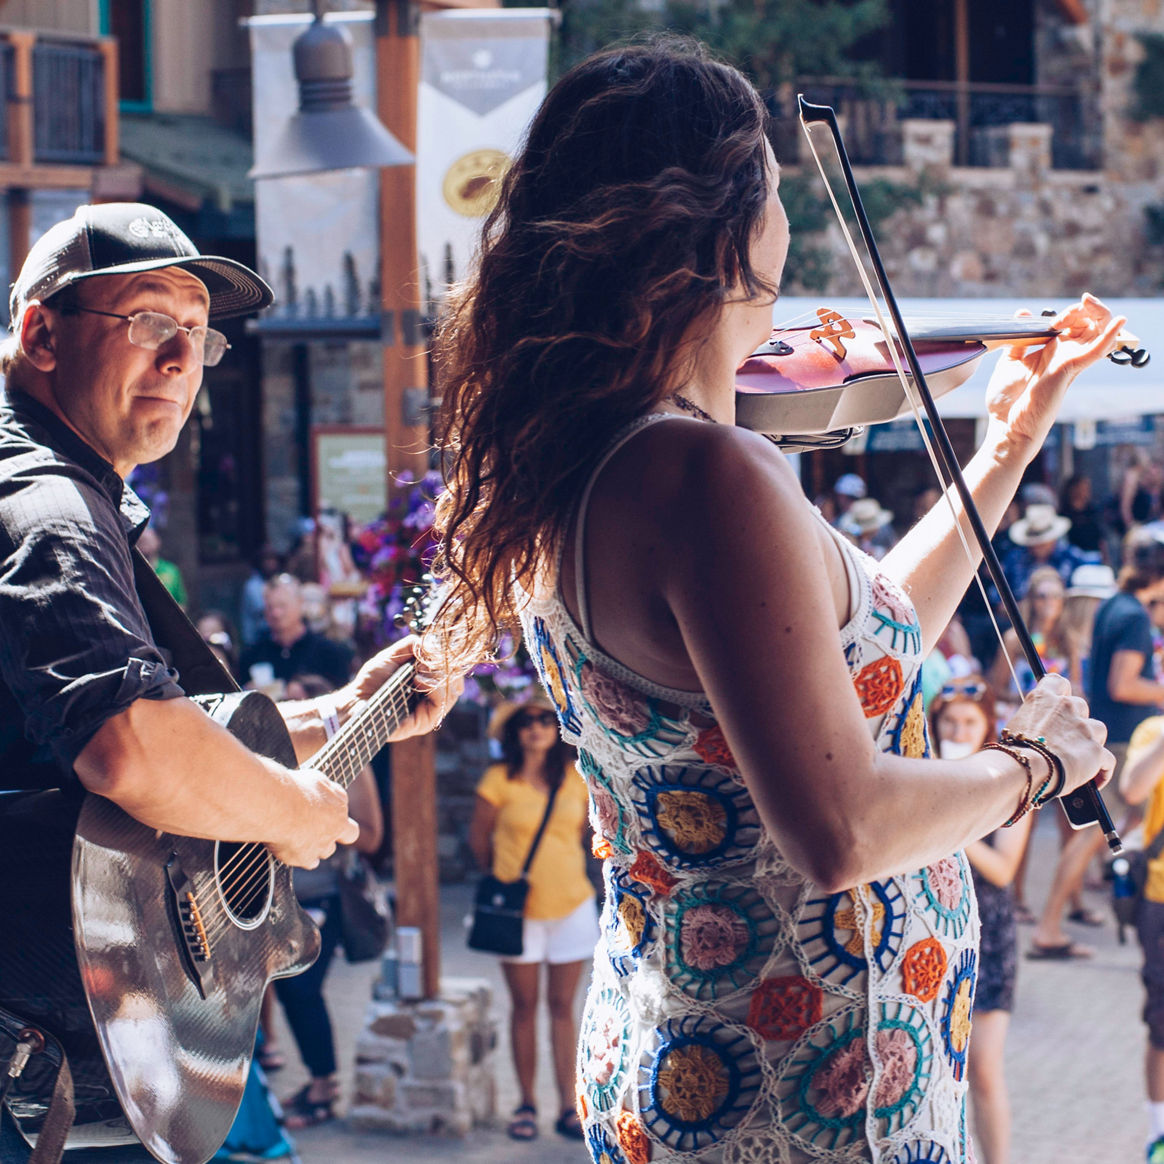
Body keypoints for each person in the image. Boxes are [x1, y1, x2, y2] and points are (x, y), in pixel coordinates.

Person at [423, 39, 1118, 1163]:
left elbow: (852, 650)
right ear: (724, 233)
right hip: (807, 1092)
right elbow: (843, 830)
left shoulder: (597, 462)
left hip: (709, 1054)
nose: (790, 226)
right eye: (780, 191)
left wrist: (1003, 451)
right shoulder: (710, 475)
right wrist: (1036, 767)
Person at [0, 202, 458, 1163]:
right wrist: (291, 813)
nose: (180, 362)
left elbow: (164, 730)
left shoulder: (71, 494)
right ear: (40, 332)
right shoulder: (47, 507)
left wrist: (344, 714)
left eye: (197, 337)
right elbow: (128, 748)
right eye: (149, 325)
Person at [1027, 524, 1164, 960]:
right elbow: (1123, 684)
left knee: (1087, 835)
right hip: (1126, 741)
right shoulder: (1134, 616)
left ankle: (1066, 914)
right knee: (1092, 837)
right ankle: (1049, 929)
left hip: (1115, 735)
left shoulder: (1115, 607)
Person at [467, 694, 596, 1143]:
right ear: (515, 733)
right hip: (516, 915)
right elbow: (479, 841)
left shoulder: (576, 781)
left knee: (564, 1009)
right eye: (527, 722)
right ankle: (526, 1103)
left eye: (546, 720)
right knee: (524, 1008)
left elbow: (579, 837)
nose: (537, 728)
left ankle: (568, 1104)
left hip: (573, 906)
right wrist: (504, 882)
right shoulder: (497, 780)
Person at [269, 672, 384, 1130]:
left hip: (324, 896)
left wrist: (313, 822)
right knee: (290, 993)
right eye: (290, 705)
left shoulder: (353, 758)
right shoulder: (268, 761)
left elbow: (372, 836)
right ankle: (320, 1080)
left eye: (307, 705)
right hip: (275, 896)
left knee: (302, 989)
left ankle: (324, 1086)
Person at [929, 679, 1029, 1164]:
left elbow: (1004, 870)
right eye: (950, 720)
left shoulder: (1008, 784)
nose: (958, 730)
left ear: (987, 725)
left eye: (969, 722)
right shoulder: (919, 774)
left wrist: (951, 819)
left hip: (989, 933)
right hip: (935, 931)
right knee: (937, 1069)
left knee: (984, 1068)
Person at [1117, 708, 1164, 1164]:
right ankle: (1159, 1134)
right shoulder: (1154, 731)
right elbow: (1131, 789)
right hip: (1161, 896)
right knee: (1162, 1025)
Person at [239, 573, 356, 691]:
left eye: (282, 606)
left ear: (300, 604)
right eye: (270, 607)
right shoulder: (251, 656)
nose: (276, 613)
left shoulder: (329, 653)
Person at [1001, 502, 1084, 600]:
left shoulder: (1072, 557)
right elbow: (996, 594)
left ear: (1053, 539)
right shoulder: (1014, 558)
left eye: (1043, 542)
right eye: (1034, 543)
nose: (1038, 546)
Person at [137, 522, 188, 609]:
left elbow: (181, 602)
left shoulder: (171, 570)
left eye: (148, 541)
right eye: (141, 541)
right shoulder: (132, 571)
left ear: (157, 542)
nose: (145, 545)